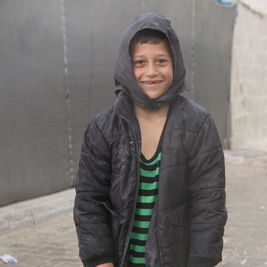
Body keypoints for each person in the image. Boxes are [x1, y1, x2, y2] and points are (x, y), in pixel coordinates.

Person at [73, 12, 227, 267]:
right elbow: (90, 202)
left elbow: (209, 205)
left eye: (161, 61)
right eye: (140, 62)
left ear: (175, 62)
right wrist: (100, 260)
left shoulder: (197, 124)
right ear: (126, 66)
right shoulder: (103, 128)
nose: (151, 72)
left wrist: (202, 261)